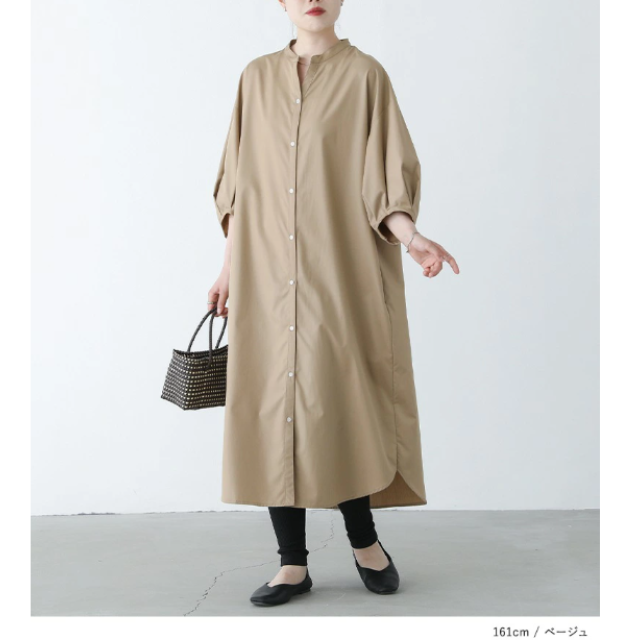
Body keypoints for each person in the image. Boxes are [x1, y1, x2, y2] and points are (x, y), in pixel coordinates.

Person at [208, 0, 459, 607]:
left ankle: (366, 545)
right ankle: (291, 564)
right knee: (273, 410)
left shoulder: (365, 75)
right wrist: (228, 269)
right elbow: (240, 186)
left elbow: (383, 179)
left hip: (338, 273)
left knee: (338, 404)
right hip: (266, 277)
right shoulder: (255, 78)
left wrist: (412, 238)